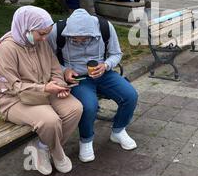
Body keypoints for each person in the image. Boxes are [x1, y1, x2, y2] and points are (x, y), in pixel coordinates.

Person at [0, 6, 83, 175]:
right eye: (42, 33)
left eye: (47, 33)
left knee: (75, 109)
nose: (45, 39)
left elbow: (55, 69)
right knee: (50, 121)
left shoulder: (38, 42)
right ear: (26, 28)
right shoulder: (7, 48)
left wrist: (59, 85)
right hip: (14, 100)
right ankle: (58, 153)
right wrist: (45, 88)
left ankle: (42, 147)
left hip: (44, 92)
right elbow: (14, 87)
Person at [47, 9, 138, 163]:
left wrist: (106, 65)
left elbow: (116, 54)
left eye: (84, 39)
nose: (79, 42)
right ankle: (86, 140)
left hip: (103, 73)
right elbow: (48, 59)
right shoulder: (57, 31)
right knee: (89, 105)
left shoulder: (105, 27)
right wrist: (64, 71)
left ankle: (118, 130)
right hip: (78, 78)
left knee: (130, 95)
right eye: (74, 40)